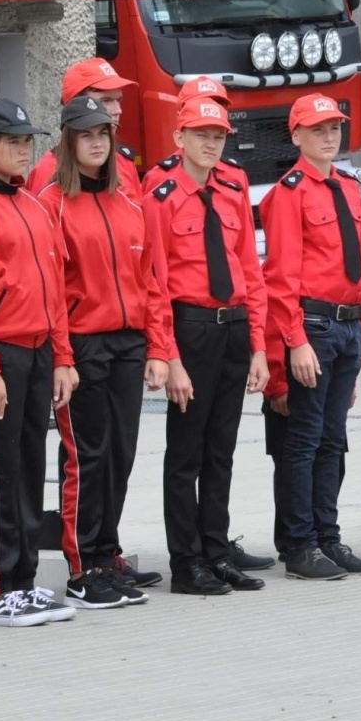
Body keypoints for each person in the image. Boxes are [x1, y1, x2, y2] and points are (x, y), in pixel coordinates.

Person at [0, 99, 79, 626]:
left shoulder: (33, 203)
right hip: (0, 354)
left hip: (39, 351)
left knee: (29, 468)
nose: (24, 150)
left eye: (28, 141)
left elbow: (55, 287)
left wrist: (63, 357)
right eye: (13, 142)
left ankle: (23, 580)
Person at [39, 94, 168, 609]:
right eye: (86, 135)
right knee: (86, 456)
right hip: (84, 342)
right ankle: (81, 567)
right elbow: (51, 290)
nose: (97, 143)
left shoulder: (130, 202)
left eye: (103, 134)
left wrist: (157, 347)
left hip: (128, 342)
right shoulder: (52, 203)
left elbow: (150, 281)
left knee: (120, 454)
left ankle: (106, 552)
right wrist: (63, 357)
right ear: (69, 141)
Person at [143, 98, 270, 596]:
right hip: (191, 329)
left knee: (222, 451)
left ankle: (216, 553)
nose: (211, 143)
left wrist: (258, 346)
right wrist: (170, 356)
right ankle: (186, 563)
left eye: (218, 136)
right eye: (201, 134)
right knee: (186, 455)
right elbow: (154, 281)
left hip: (233, 327)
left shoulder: (233, 188)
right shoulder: (161, 194)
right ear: (179, 138)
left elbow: (250, 271)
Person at [262, 93, 361, 580]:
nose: (329, 136)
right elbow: (280, 277)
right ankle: (300, 546)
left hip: (349, 325)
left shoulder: (349, 187)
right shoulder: (289, 193)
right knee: (305, 440)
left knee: (333, 440)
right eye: (317, 130)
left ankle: (328, 539)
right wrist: (295, 341)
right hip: (313, 327)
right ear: (296, 136)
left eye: (334, 128)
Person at [29, 58, 141, 194]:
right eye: (105, 101)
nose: (118, 110)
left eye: (119, 100)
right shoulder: (48, 169)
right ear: (75, 106)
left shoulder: (124, 162)